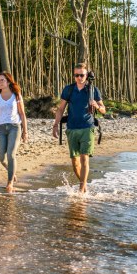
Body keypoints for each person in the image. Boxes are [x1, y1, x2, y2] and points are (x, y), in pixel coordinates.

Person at [52, 62, 106, 193]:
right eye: (76, 75)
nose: (79, 77)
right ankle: (84, 184)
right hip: (72, 128)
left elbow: (104, 110)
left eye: (81, 75)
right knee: (75, 162)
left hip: (87, 127)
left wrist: (97, 106)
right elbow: (60, 109)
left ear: (86, 75)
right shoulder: (68, 89)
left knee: (84, 158)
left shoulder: (93, 90)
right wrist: (55, 124)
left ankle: (81, 190)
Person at [0, 71, 27, 193]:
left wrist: (25, 131)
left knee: (11, 154)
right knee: (1, 158)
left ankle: (10, 182)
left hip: (14, 127)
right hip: (0, 128)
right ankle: (11, 170)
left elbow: (22, 114)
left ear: (8, 81)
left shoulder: (16, 95)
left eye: (2, 80)